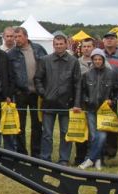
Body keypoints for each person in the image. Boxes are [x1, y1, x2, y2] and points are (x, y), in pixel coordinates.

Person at [34, 34, 82, 164]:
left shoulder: (73, 61)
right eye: (56, 44)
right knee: (47, 134)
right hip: (48, 103)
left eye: (61, 44)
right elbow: (37, 78)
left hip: (67, 103)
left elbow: (78, 84)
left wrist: (77, 103)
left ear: (66, 44)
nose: (59, 46)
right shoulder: (45, 60)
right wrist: (43, 93)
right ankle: (45, 158)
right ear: (53, 45)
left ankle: (64, 159)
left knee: (65, 133)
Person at [7, 27, 47, 156]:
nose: (16, 39)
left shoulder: (38, 49)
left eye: (18, 36)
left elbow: (47, 68)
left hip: (37, 93)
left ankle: (36, 153)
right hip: (20, 93)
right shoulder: (11, 54)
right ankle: (21, 153)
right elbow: (10, 76)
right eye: (15, 37)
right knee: (20, 125)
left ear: (26, 36)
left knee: (37, 125)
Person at [79, 49, 118, 170]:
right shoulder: (86, 75)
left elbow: (117, 91)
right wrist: (86, 100)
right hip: (91, 109)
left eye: (99, 59)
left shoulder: (111, 74)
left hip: (105, 110)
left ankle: (90, 159)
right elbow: (82, 91)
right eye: (95, 59)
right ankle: (97, 160)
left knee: (102, 136)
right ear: (92, 60)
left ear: (103, 60)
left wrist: (112, 101)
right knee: (93, 136)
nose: (97, 61)